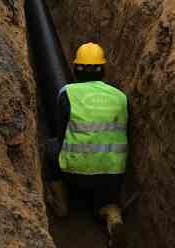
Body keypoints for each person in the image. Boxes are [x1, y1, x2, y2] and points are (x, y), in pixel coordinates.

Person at [48, 42, 129, 241]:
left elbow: (61, 133)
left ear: (76, 69)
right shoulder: (121, 97)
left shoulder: (67, 93)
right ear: (103, 69)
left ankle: (61, 204)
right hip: (113, 175)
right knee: (104, 197)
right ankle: (112, 213)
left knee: (51, 147)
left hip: (75, 173)